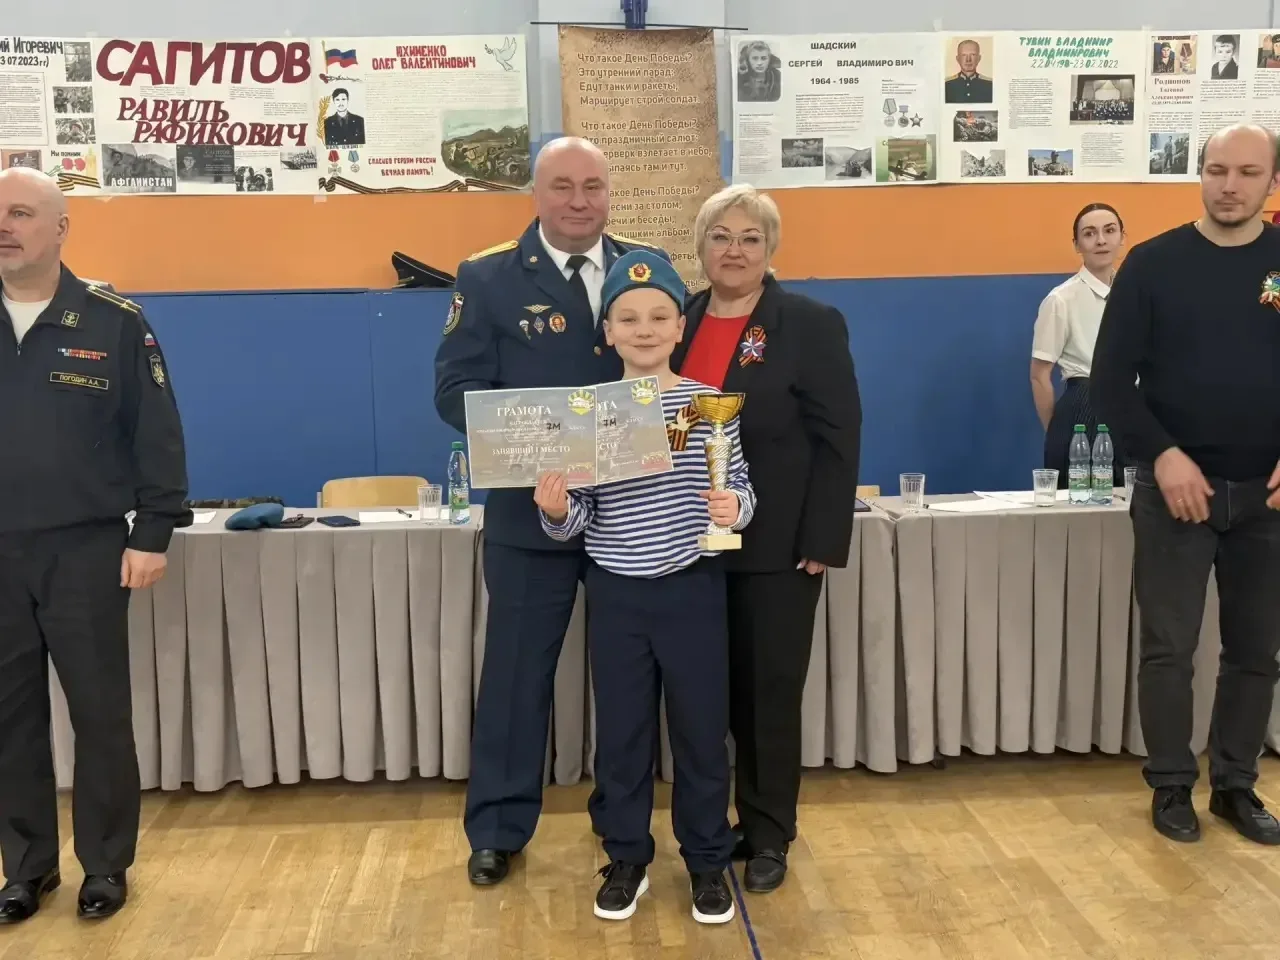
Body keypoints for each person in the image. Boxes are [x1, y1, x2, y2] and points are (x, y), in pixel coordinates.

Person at [433, 137, 672, 886]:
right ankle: (497, 828)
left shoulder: (645, 267)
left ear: (609, 192)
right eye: (562, 186)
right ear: (535, 194)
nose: (578, 201)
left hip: (631, 521)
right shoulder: (488, 276)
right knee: (514, 678)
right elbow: (454, 392)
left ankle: (621, 822)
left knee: (629, 682)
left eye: (592, 186)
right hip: (528, 519)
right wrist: (548, 442)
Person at [534, 249, 750, 924]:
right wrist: (555, 509)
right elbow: (580, 515)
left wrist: (734, 509)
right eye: (628, 318)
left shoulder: (708, 405)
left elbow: (740, 487)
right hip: (617, 592)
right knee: (622, 735)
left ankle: (707, 859)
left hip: (692, 586)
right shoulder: (587, 412)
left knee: (701, 732)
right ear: (607, 332)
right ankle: (626, 856)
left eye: (659, 316)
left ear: (680, 327)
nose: (645, 329)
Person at [0, 167, 190, 924]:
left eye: (20, 213)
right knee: (9, 718)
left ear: (59, 228)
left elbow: (157, 433)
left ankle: (105, 864)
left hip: (86, 551)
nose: (5, 226)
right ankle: (27, 867)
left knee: (100, 715)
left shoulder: (112, 321)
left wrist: (155, 530)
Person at [1092, 122, 1280, 847]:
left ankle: (1235, 785)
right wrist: (1163, 455)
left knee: (1256, 652)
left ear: (1271, 182)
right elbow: (1110, 383)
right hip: (1172, 493)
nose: (1229, 186)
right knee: (1168, 649)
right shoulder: (1152, 264)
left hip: (1267, 497)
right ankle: (1171, 784)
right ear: (1198, 173)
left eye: (1247, 172)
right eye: (1216, 170)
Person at [672, 185, 861, 892]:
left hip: (778, 547)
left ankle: (769, 831)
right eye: (721, 236)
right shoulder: (678, 320)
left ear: (771, 249)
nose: (735, 250)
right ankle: (710, 825)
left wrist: (824, 536)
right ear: (700, 246)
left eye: (750, 238)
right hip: (684, 547)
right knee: (705, 697)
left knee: (769, 695)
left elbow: (840, 435)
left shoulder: (809, 324)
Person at [1030, 203, 1126, 487]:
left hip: (1132, 406)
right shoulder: (1061, 299)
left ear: (1122, 237)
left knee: (1135, 501)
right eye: (1089, 233)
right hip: (1084, 404)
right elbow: (1039, 374)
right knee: (1083, 501)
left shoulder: (1134, 292)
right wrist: (1057, 431)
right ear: (1077, 245)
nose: (1101, 240)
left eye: (1109, 231)